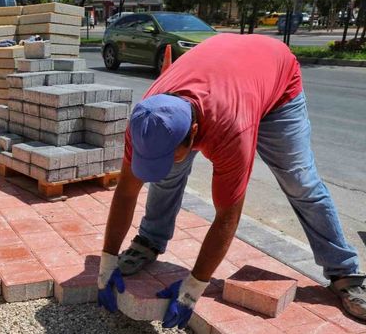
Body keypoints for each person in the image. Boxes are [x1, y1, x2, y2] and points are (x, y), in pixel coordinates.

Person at [97, 33, 366, 328]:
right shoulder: (147, 119)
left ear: (195, 133)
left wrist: (193, 288)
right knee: (168, 174)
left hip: (276, 81)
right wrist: (106, 261)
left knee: (299, 181)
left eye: (174, 153)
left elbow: (227, 216)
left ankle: (344, 273)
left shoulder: (231, 132)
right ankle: (149, 241)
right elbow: (125, 192)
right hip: (224, 71)